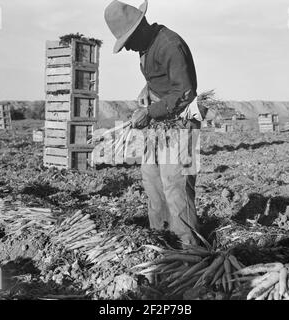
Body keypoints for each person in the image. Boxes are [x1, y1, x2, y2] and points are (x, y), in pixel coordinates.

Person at [104, 0, 206, 246]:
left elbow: (184, 92)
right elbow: (162, 79)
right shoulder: (146, 45)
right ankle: (161, 242)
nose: (128, 49)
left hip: (180, 125)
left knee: (175, 187)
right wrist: (147, 89)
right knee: (152, 183)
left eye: (128, 42)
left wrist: (149, 111)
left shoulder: (170, 44)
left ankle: (189, 250)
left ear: (140, 28)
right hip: (159, 124)